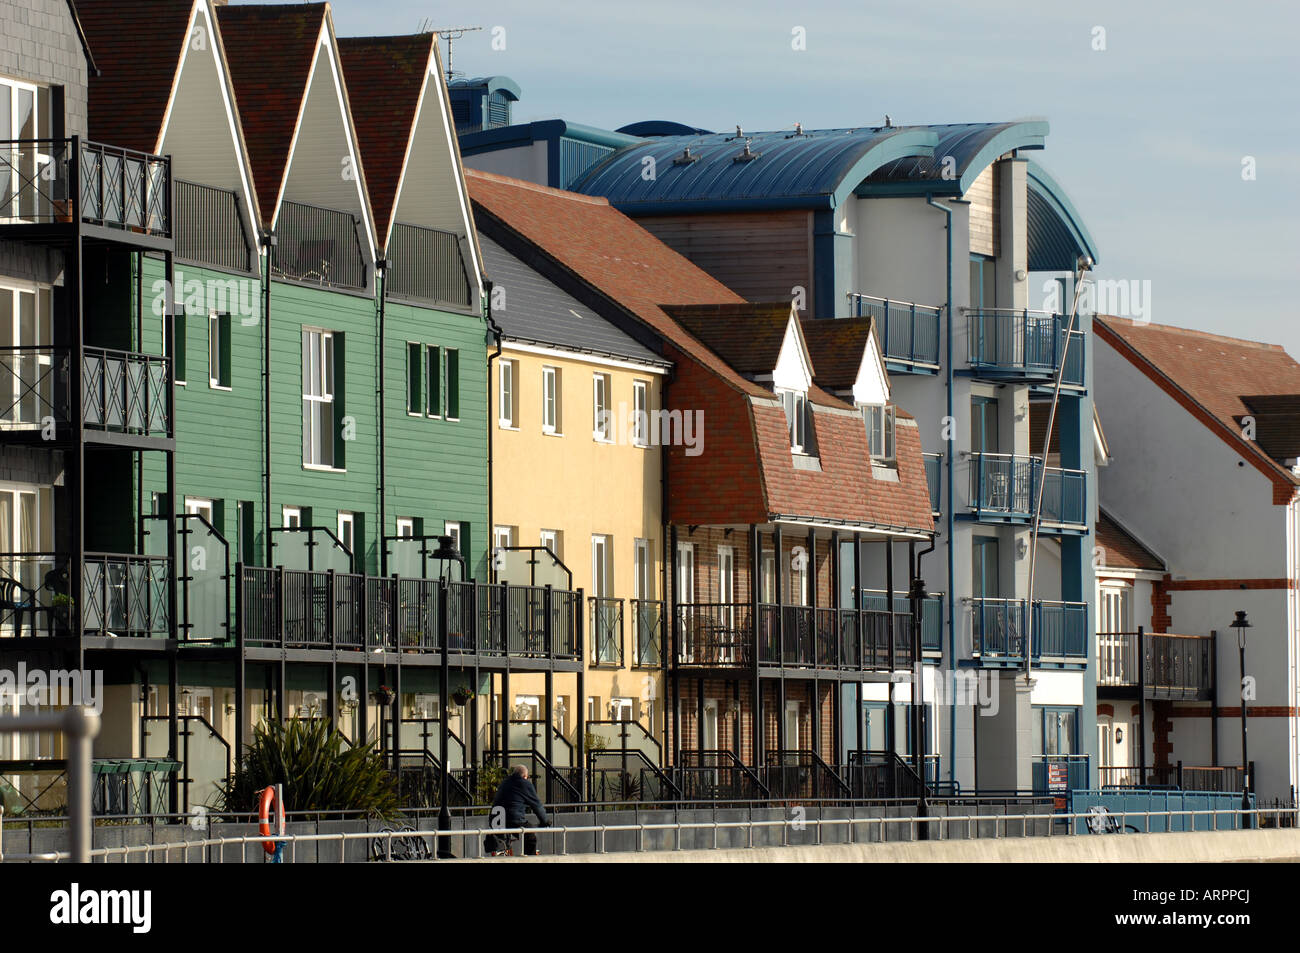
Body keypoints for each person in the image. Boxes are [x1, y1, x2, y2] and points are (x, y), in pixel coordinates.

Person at [487, 765, 550, 855]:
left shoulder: (504, 782)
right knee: (530, 837)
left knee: (504, 841)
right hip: (513, 819)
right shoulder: (524, 784)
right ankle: (529, 860)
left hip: (495, 818)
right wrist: (545, 821)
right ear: (525, 776)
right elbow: (537, 805)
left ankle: (504, 850)